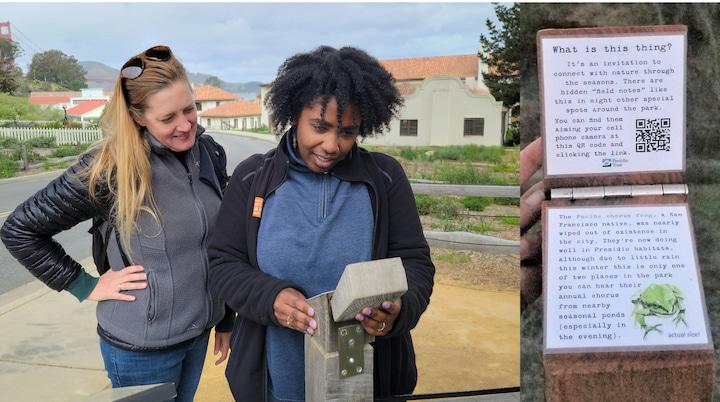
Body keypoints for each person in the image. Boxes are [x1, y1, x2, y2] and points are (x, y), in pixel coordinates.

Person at [0, 45, 233, 402]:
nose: (185, 125)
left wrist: (226, 317)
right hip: (140, 348)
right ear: (139, 116)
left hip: (197, 335)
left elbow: (221, 244)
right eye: (168, 118)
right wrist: (84, 285)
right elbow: (20, 229)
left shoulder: (209, 153)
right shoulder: (111, 167)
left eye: (190, 109)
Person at [207, 45, 435, 401]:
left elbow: (415, 265)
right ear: (293, 113)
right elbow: (223, 264)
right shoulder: (252, 177)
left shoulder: (385, 178)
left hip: (366, 383)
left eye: (347, 131)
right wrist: (271, 298)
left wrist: (399, 311)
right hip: (275, 382)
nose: (332, 145)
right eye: (320, 127)